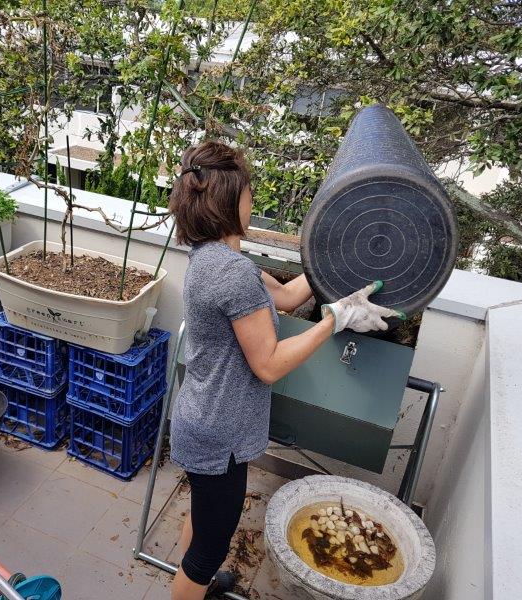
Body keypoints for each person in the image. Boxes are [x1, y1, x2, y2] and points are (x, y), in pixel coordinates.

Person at [167, 141, 402, 600]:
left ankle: (204, 585)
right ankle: (198, 585)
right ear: (232, 201)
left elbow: (290, 297)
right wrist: (337, 320)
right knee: (207, 551)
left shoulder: (214, 259)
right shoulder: (232, 273)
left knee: (200, 516)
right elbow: (269, 365)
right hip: (218, 434)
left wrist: (332, 264)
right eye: (250, 192)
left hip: (199, 419)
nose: (253, 201)